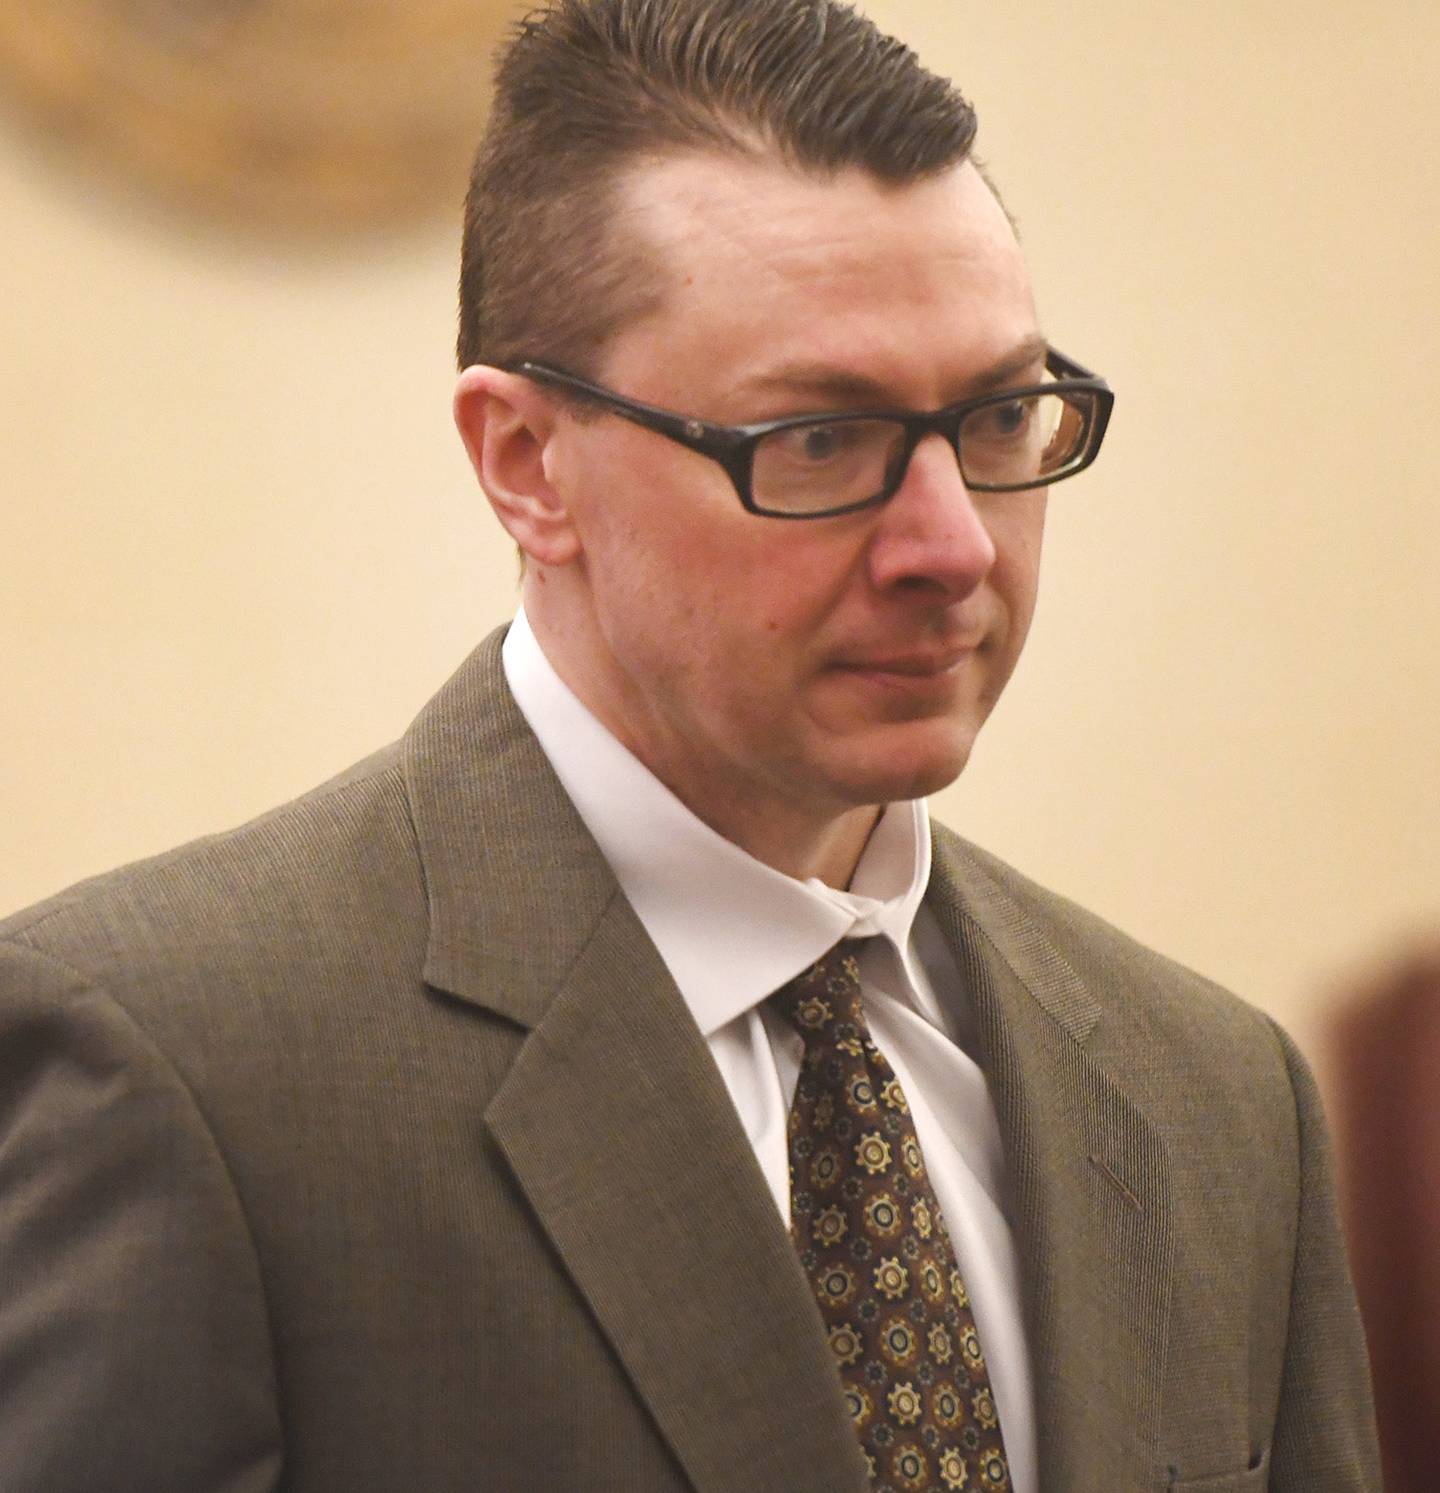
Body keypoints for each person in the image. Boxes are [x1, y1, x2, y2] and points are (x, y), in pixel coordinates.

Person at [0, 1, 1379, 1489]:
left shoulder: (1220, 1102)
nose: (951, 543)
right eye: (816, 442)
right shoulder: (177, 1065)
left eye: (997, 420)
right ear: (525, 463)